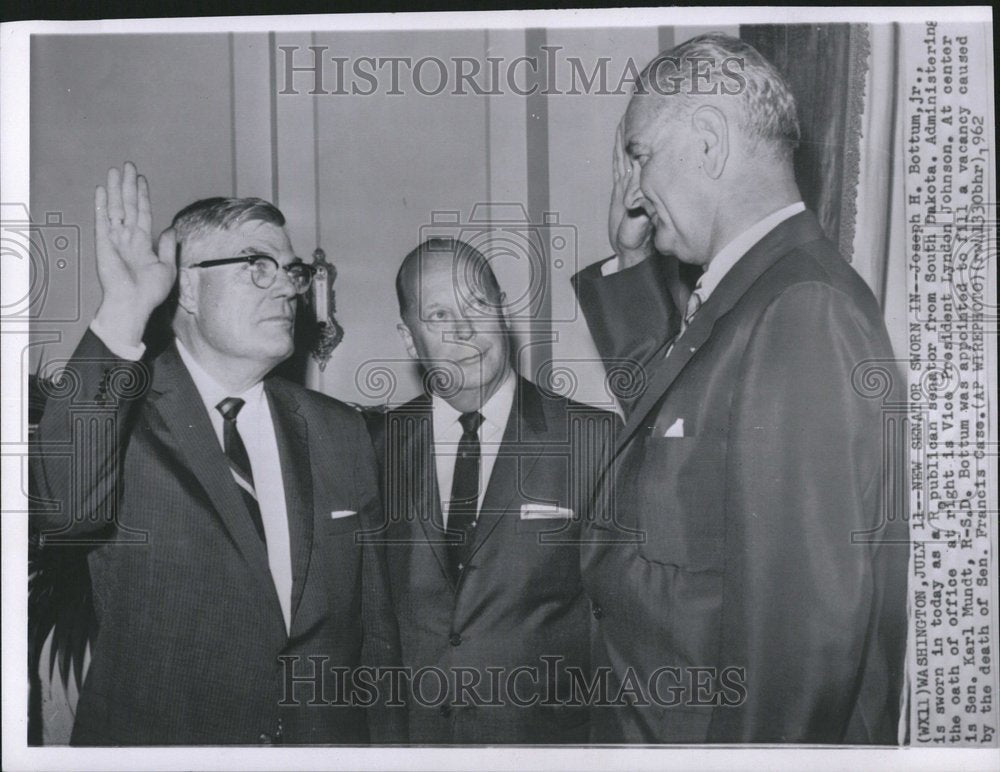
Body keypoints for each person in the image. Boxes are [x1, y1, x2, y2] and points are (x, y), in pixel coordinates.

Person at [572, 33, 909, 743]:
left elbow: (801, 652)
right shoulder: (755, 295)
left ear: (708, 142)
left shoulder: (799, 312)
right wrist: (632, 266)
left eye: (638, 156)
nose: (632, 191)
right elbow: (680, 456)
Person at [30, 163, 401, 745]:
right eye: (258, 266)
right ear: (189, 288)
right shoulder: (123, 415)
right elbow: (64, 510)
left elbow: (376, 638)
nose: (286, 287)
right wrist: (124, 312)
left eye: (292, 272)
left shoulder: (339, 431)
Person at [367, 238, 617, 743]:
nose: (463, 329)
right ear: (409, 340)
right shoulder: (371, 446)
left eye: (477, 303)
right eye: (439, 314)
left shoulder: (592, 439)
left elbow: (625, 626)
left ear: (504, 311)